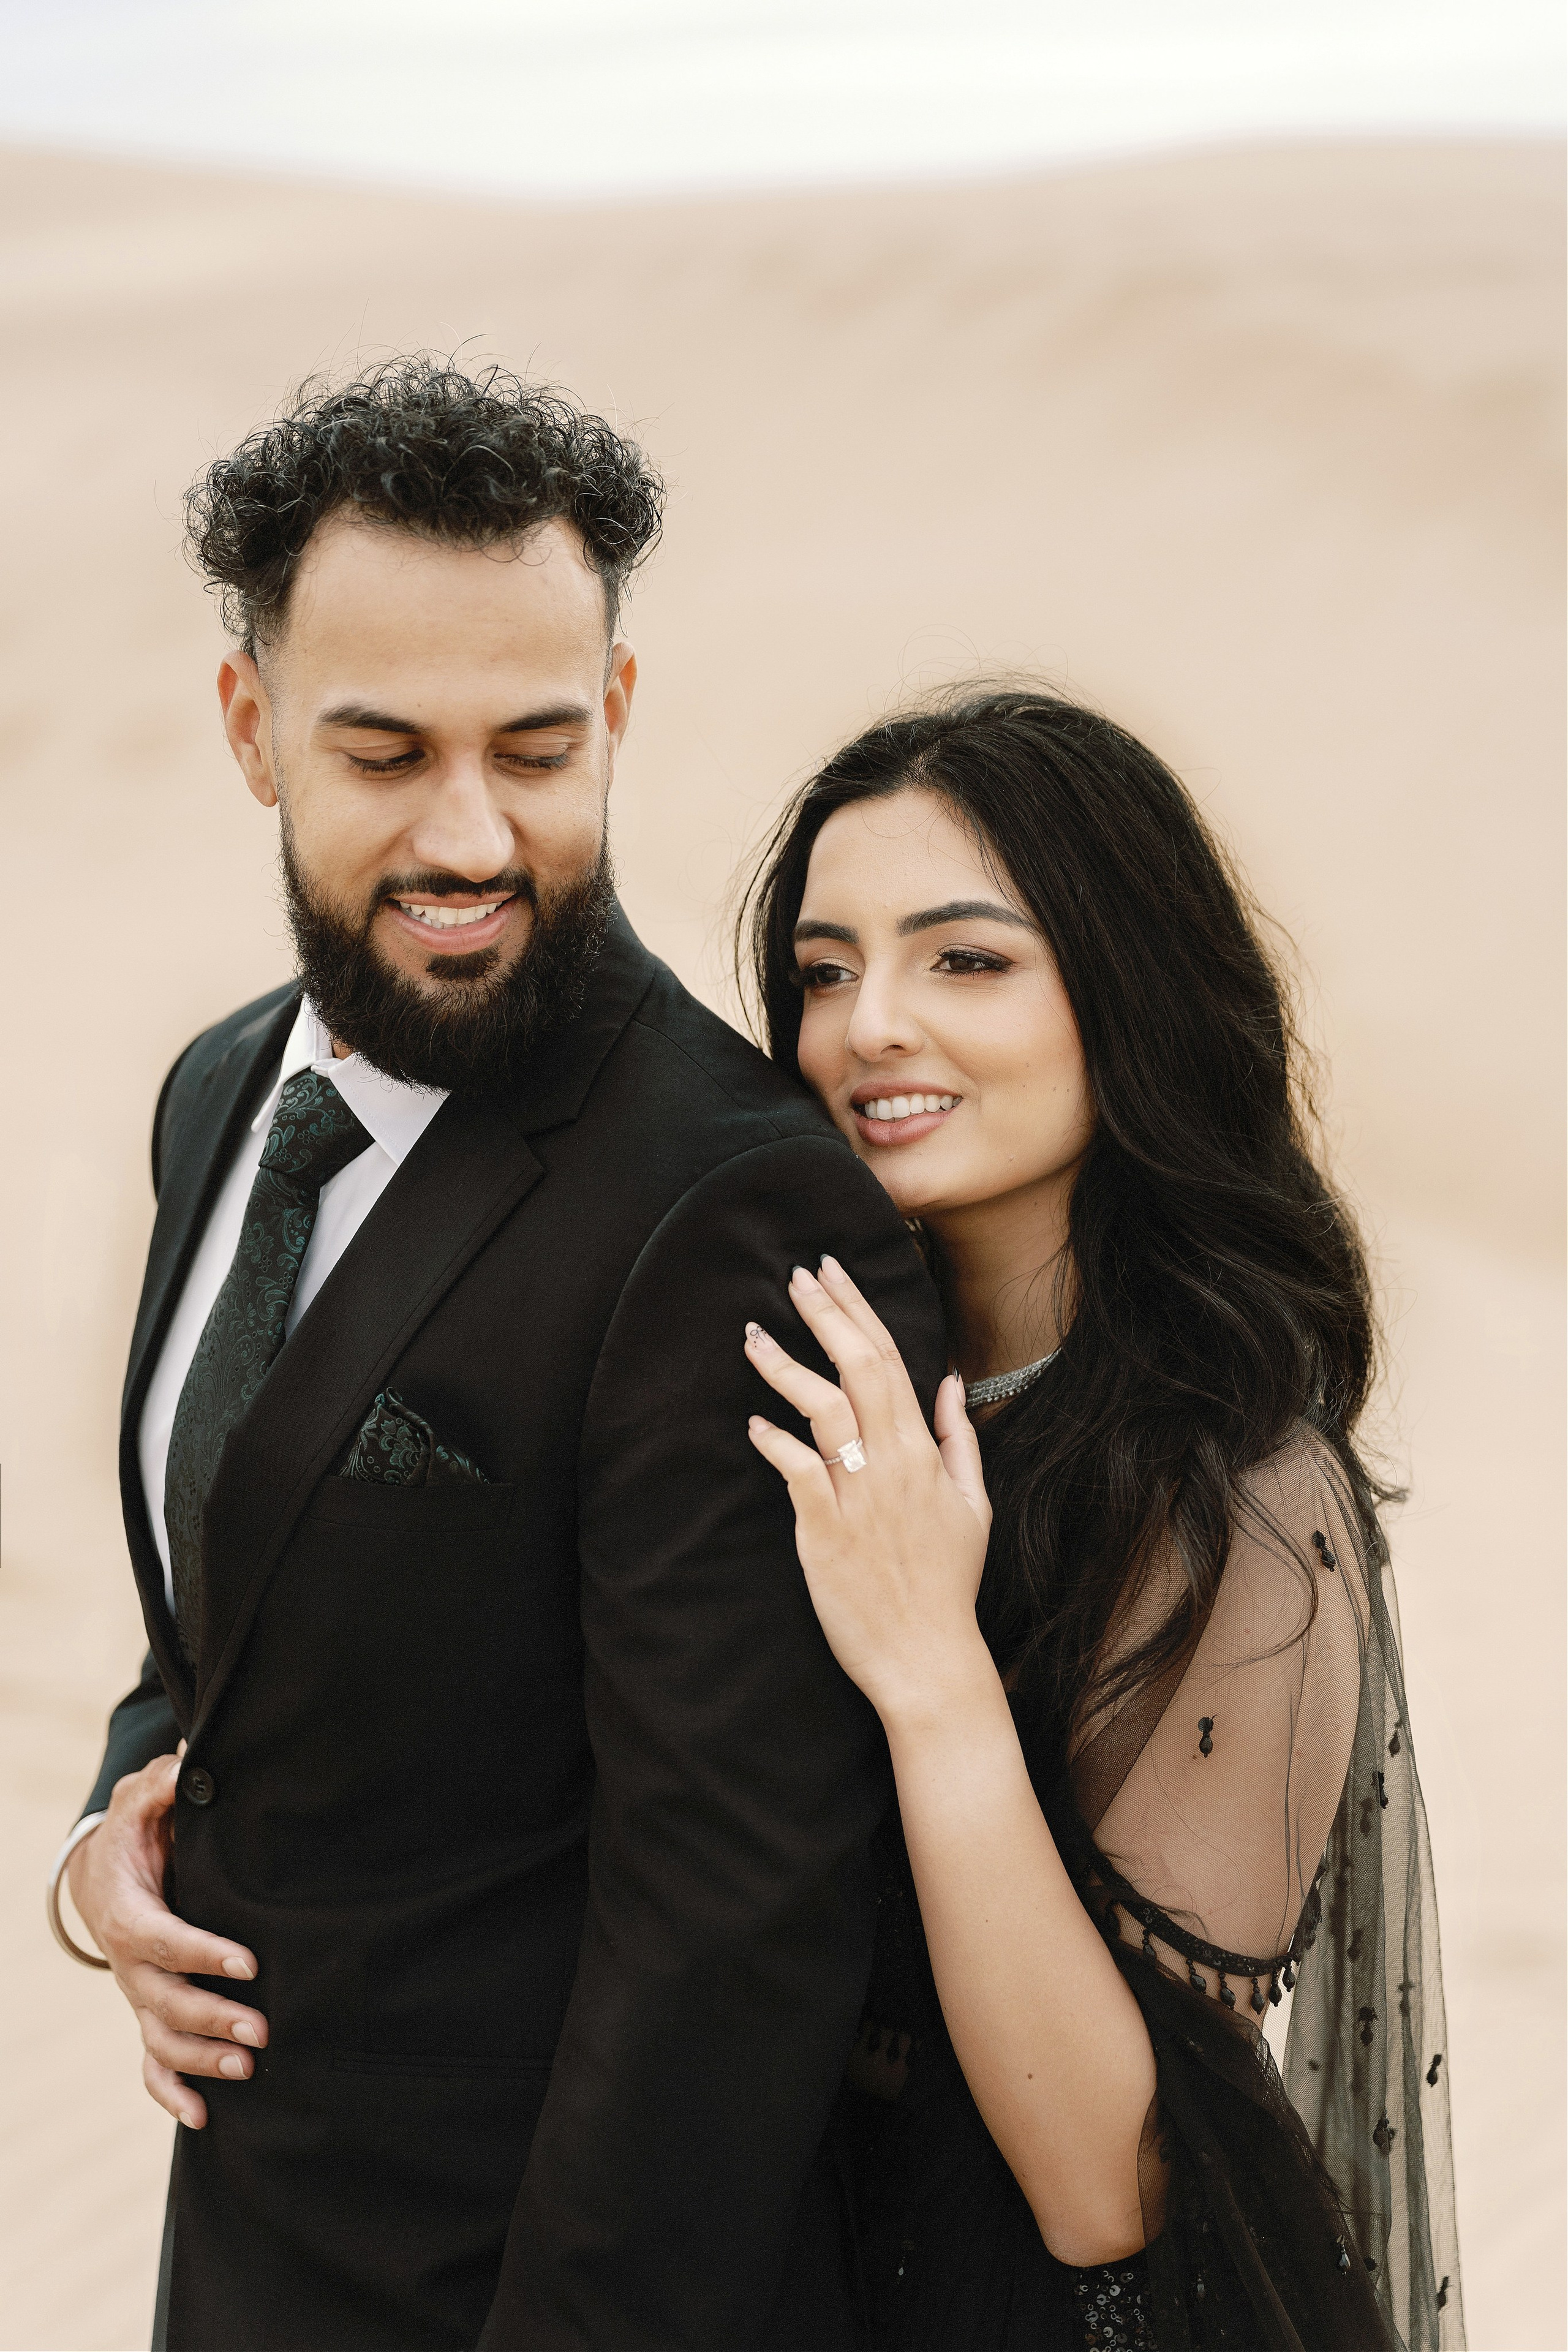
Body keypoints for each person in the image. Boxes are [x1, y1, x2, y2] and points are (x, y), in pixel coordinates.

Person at [48, 357, 947, 2352]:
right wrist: (107, 1846)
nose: (473, 838)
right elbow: (225, 1620)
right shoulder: (216, 1100)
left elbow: (731, 1942)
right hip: (248, 2272)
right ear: (251, 729)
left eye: (537, 750)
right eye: (384, 754)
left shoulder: (729, 1201)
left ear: (617, 713)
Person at [737, 689, 1463, 2350]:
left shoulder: (1241, 1497)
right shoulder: (802, 1381)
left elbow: (1107, 2183)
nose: (869, 1028)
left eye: (965, 960)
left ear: (1124, 994)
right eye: (826, 971)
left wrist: (929, 1667)